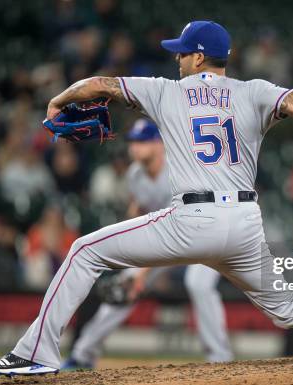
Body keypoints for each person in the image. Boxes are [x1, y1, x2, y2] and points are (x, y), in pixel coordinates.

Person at [0, 20, 293, 376]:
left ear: (197, 56)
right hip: (245, 222)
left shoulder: (166, 91)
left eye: (181, 51)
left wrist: (59, 99)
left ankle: (35, 353)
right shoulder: (254, 91)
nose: (177, 58)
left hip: (192, 219)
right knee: (285, 305)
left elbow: (100, 84)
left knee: (83, 251)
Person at [62, 119, 233, 369]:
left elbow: (177, 229)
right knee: (125, 287)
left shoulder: (179, 172)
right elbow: (140, 211)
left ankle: (221, 360)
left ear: (159, 144)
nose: (135, 147)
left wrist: (142, 274)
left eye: (142, 141)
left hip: (206, 233)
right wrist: (134, 267)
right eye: (133, 142)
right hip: (169, 239)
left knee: (198, 284)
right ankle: (83, 355)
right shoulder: (135, 175)